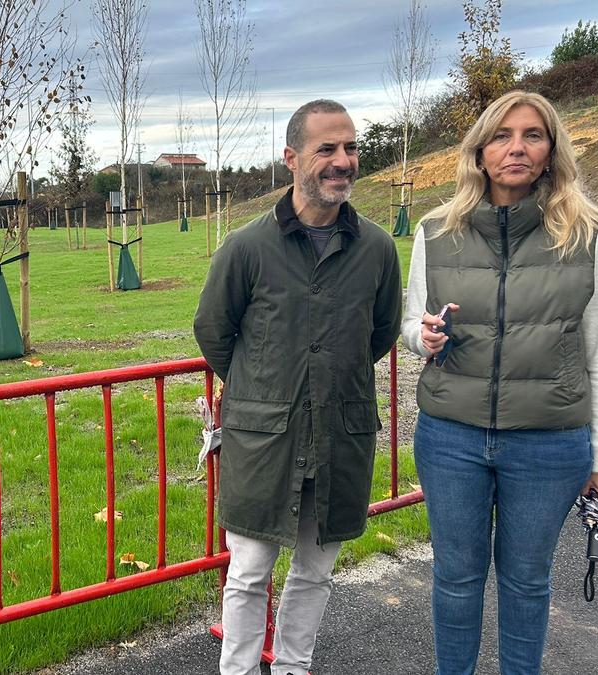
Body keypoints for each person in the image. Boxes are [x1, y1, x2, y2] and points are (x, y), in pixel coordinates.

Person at [402, 90, 598, 674]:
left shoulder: (590, 234)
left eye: (532, 135)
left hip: (549, 443)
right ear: (479, 151)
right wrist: (419, 337)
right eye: (501, 135)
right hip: (451, 438)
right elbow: (411, 322)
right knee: (456, 579)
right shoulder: (434, 230)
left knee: (527, 582)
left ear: (552, 151)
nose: (516, 148)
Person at [194, 99, 402, 675]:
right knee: (248, 571)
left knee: (314, 572)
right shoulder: (246, 247)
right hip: (263, 442)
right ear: (291, 158)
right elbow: (213, 329)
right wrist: (263, 387)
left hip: (340, 435)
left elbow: (380, 332)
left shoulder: (378, 249)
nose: (343, 161)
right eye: (327, 149)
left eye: (351, 147)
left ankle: (292, 667)